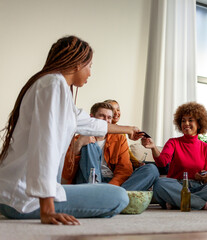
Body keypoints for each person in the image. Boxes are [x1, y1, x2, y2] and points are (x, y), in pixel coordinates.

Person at [0, 36, 143, 225]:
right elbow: (45, 144)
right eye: (90, 66)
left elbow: (88, 123)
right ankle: (46, 204)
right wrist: (48, 210)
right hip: (22, 200)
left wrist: (128, 130)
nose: (90, 73)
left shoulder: (52, 84)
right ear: (77, 64)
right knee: (118, 196)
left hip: (13, 193)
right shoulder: (53, 84)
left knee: (114, 194)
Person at [142, 102, 207, 210]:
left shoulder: (205, 147)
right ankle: (206, 205)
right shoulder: (173, 142)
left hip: (199, 188)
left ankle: (178, 201)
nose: (186, 123)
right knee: (160, 184)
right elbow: (162, 162)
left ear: (199, 124)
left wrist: (203, 177)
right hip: (177, 186)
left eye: (190, 120)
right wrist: (154, 147)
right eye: (183, 121)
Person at [62, 101, 159, 190]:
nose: (106, 120)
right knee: (90, 144)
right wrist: (79, 144)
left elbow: (124, 170)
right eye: (102, 116)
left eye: (109, 118)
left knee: (151, 169)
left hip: (113, 183)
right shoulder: (78, 139)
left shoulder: (119, 138)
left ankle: (110, 196)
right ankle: (100, 194)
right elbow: (66, 176)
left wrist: (110, 188)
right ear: (91, 118)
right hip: (87, 183)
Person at [104, 99, 142, 169]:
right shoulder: (99, 131)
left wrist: (138, 164)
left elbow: (127, 153)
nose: (116, 113)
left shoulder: (122, 132)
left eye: (118, 110)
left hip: (125, 168)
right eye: (112, 110)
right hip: (113, 170)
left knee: (151, 168)